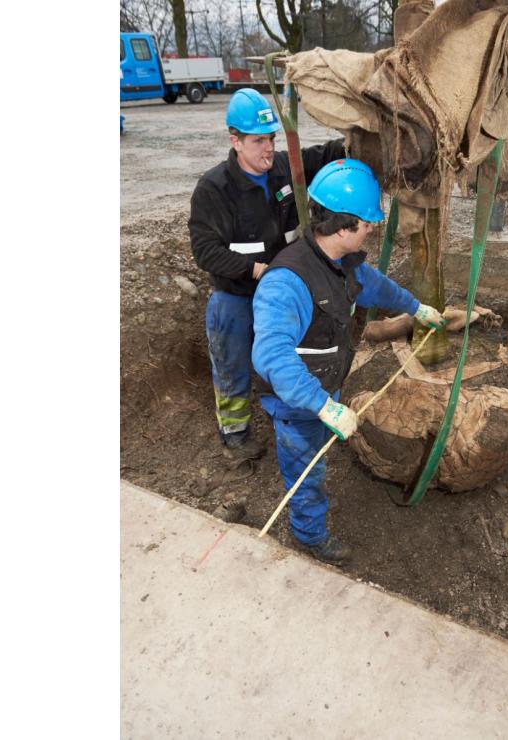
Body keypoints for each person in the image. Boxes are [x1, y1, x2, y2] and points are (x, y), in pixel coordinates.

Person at [251, 159, 447, 565]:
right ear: (343, 227)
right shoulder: (288, 282)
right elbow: (271, 355)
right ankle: (310, 535)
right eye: (367, 224)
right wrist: (322, 406)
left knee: (316, 456)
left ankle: (311, 512)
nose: (372, 229)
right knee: (307, 473)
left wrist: (415, 307)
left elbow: (373, 286)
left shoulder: (342, 261)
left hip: (325, 386)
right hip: (297, 401)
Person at [188, 88, 346, 460]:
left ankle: (289, 417)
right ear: (235, 141)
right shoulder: (214, 190)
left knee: (284, 355)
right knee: (232, 361)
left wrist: (355, 140)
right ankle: (235, 433)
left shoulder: (281, 169)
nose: (268, 149)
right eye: (259, 140)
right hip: (237, 295)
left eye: (272, 139)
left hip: (283, 292)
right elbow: (205, 251)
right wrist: (257, 270)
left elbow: (321, 157)